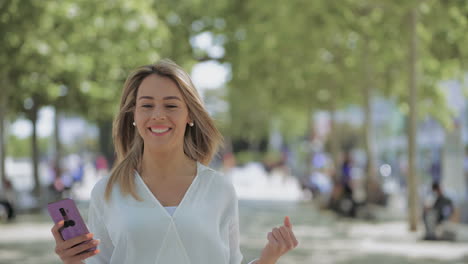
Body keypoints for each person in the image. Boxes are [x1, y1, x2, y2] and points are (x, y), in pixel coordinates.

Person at [51, 59, 298, 264]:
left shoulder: (219, 189)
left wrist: (269, 257)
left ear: (190, 114)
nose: (158, 115)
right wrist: (73, 260)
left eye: (171, 105)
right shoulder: (106, 192)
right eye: (147, 105)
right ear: (133, 115)